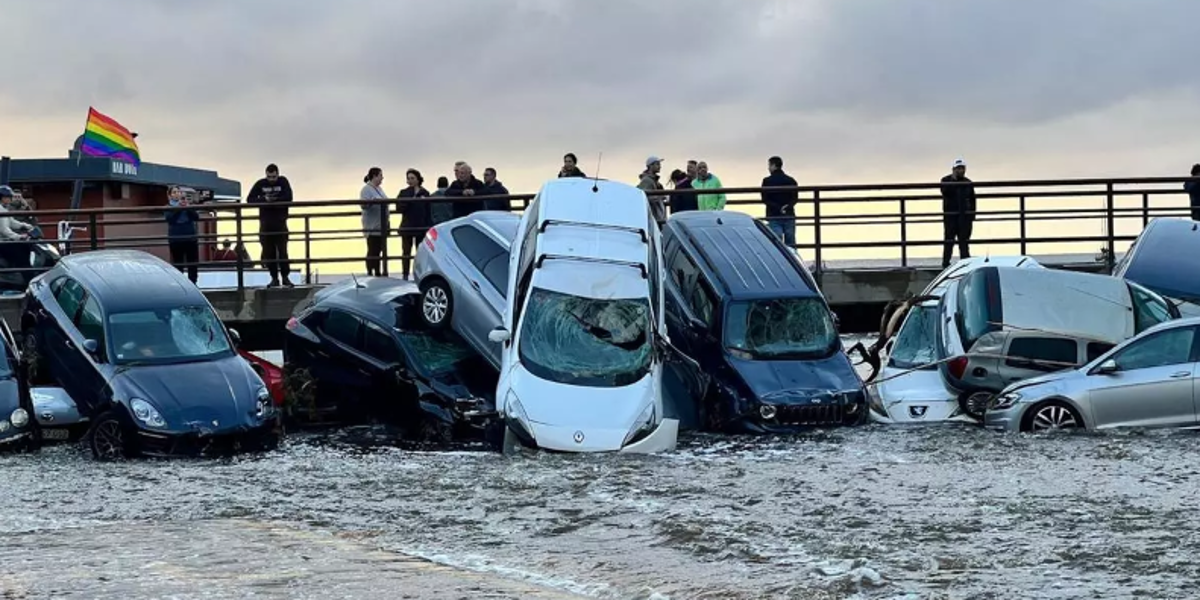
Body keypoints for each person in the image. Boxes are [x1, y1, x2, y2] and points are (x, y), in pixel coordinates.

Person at [246, 163, 294, 287]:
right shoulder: (260, 184)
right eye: (269, 177)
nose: (271, 180)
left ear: (278, 174)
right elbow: (250, 199)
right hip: (266, 224)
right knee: (269, 252)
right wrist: (264, 200)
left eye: (273, 177)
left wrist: (275, 201)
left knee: (283, 252)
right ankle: (274, 278)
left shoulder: (283, 182)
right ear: (266, 175)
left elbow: (289, 197)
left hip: (280, 223)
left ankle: (285, 277)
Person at [940, 158, 977, 268]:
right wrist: (954, 181)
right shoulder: (945, 180)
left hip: (965, 216)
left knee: (964, 242)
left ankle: (965, 263)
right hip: (950, 215)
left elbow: (972, 199)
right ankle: (945, 263)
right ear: (953, 169)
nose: (960, 171)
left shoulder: (968, 183)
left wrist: (972, 215)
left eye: (962, 168)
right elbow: (945, 192)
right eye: (958, 169)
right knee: (949, 241)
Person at [396, 168, 431, 279]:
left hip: (420, 226)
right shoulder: (404, 192)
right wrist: (410, 200)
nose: (410, 180)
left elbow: (428, 211)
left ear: (418, 179)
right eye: (408, 178)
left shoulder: (425, 193)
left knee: (420, 253)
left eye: (412, 178)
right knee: (406, 252)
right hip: (407, 226)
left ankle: (420, 274)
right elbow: (399, 208)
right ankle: (405, 274)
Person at [164, 186, 202, 284]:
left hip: (190, 238)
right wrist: (179, 208)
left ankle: (193, 284)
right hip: (176, 239)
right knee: (178, 264)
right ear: (169, 196)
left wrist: (188, 207)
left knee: (192, 264)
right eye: (174, 192)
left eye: (179, 192)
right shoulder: (167, 207)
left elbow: (196, 217)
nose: (177, 194)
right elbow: (170, 219)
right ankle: (181, 285)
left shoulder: (188, 205)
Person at [761, 156, 799, 248]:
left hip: (774, 214)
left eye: (769, 165)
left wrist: (777, 207)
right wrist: (787, 206)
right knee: (791, 241)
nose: (768, 168)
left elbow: (765, 199)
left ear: (774, 165)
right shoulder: (791, 180)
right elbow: (795, 198)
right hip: (789, 214)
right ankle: (792, 260)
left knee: (776, 242)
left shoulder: (767, 181)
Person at [360, 167, 389, 277]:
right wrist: (373, 202)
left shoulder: (379, 189)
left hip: (382, 225)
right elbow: (363, 205)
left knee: (379, 250)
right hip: (372, 226)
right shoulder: (366, 189)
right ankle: (371, 272)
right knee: (373, 249)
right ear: (375, 176)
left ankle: (378, 272)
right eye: (381, 175)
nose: (382, 178)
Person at [0, 186, 35, 275]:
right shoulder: (0, 209)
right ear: (2, 198)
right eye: (9, 197)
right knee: (21, 255)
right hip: (2, 242)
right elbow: (4, 230)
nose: (11, 199)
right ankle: (26, 277)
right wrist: (18, 237)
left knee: (23, 248)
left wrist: (25, 226)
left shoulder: (4, 208)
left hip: (4, 240)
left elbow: (11, 222)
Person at [638, 156, 667, 226]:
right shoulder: (647, 180)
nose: (660, 166)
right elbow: (643, 197)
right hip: (653, 216)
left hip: (656, 216)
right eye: (657, 164)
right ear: (650, 166)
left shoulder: (654, 180)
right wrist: (659, 197)